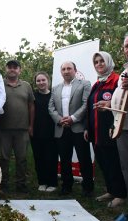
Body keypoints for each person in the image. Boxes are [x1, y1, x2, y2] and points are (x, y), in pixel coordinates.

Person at [83, 51, 127, 207]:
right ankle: (111, 190)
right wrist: (88, 128)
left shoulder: (117, 80)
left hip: (111, 130)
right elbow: (90, 107)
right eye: (96, 62)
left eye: (102, 61)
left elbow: (123, 102)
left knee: (114, 163)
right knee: (103, 163)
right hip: (96, 132)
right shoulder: (97, 83)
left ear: (108, 61)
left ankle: (121, 194)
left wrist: (109, 105)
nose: (99, 64)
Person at [48, 61, 94, 196]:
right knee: (64, 159)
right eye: (63, 69)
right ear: (61, 72)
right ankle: (66, 186)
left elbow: (86, 104)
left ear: (75, 70)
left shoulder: (85, 84)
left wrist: (72, 118)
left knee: (84, 158)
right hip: (61, 128)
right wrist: (59, 119)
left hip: (78, 127)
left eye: (69, 68)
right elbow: (51, 107)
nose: (66, 71)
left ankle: (88, 187)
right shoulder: (56, 88)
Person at [109, 32, 128, 217]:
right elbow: (120, 97)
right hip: (123, 126)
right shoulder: (126, 70)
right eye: (127, 46)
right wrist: (108, 105)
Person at [0, 60, 34, 193]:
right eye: (10, 67)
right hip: (3, 129)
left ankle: (21, 184)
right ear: (6, 69)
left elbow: (31, 105)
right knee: (3, 158)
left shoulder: (26, 86)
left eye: (15, 67)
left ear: (20, 70)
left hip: (22, 129)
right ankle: (3, 183)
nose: (12, 69)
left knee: (22, 158)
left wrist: (31, 125)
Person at [31, 72, 58, 192]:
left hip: (52, 132)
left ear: (48, 81)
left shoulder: (54, 96)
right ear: (35, 83)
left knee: (51, 158)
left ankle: (52, 182)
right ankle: (42, 182)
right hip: (36, 132)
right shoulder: (33, 97)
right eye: (38, 81)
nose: (41, 83)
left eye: (43, 80)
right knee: (39, 158)